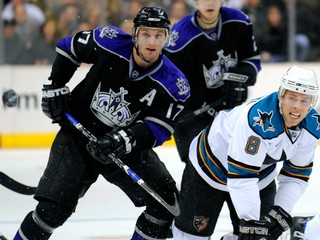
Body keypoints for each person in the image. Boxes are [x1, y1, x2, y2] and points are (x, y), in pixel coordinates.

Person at [13, 6, 190, 240]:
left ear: (167, 38)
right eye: (146, 34)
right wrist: (56, 85)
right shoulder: (111, 42)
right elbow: (69, 47)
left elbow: (159, 128)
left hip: (125, 150)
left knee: (164, 204)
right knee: (51, 212)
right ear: (135, 34)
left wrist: (123, 140)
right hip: (79, 136)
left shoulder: (174, 83)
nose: (152, 41)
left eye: (159, 35)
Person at [171, 65, 320, 240]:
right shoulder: (257, 121)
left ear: (312, 102)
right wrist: (250, 221)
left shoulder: (312, 126)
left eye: (304, 100)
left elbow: (296, 175)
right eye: (292, 98)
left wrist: (280, 211)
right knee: (190, 237)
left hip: (258, 176)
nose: (297, 107)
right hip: (208, 169)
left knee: (262, 237)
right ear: (281, 96)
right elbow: (242, 175)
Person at [165, 0, 261, 163]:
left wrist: (241, 76)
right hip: (193, 115)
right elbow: (169, 79)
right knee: (200, 169)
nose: (210, 3)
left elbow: (251, 59)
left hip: (230, 112)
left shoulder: (239, 21)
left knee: (240, 163)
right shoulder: (180, 35)